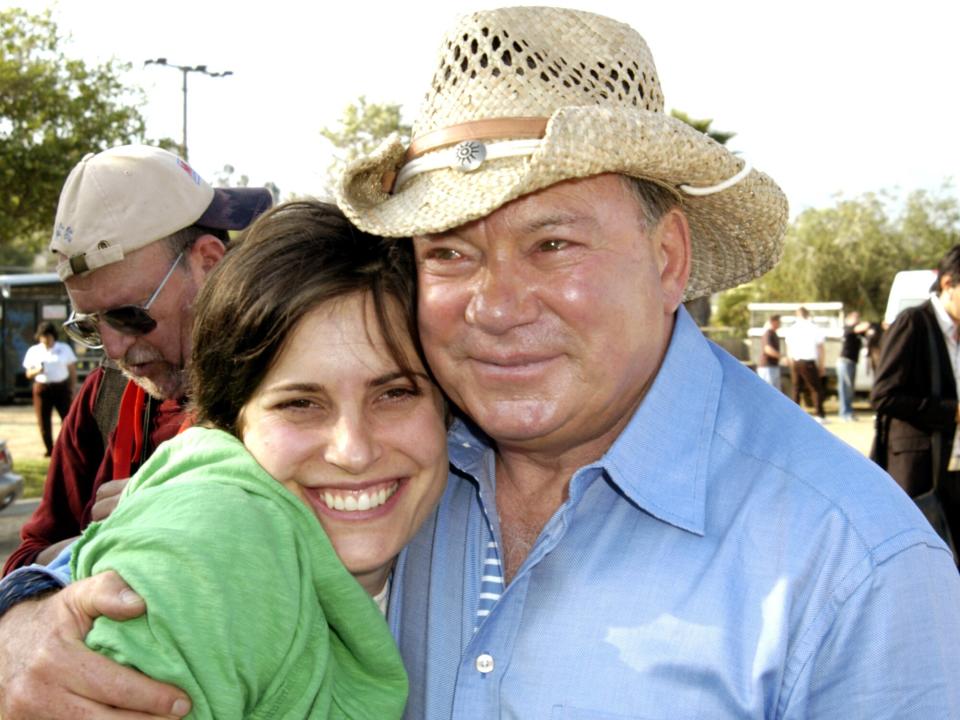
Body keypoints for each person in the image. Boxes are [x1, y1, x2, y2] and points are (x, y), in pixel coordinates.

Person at [2, 8, 960, 719]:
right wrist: (25, 625)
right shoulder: (392, 459)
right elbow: (174, 534)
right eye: (450, 253)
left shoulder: (857, 570)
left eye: (553, 244)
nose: (496, 307)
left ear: (667, 258)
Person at [69, 199, 444, 717]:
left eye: (395, 393)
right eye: (300, 404)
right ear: (232, 421)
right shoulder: (205, 561)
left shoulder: (479, 507)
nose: (354, 451)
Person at [3, 144, 272, 574]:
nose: (112, 349)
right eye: (90, 324)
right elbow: (26, 558)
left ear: (207, 263)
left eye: (128, 315)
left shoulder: (287, 397)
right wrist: (111, 540)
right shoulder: (103, 398)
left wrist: (202, 518)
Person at [871, 244, 960, 556]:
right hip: (920, 471)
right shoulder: (914, 323)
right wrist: (952, 412)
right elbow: (884, 395)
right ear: (948, 284)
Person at [21, 321, 76, 457]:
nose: (46, 340)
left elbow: (72, 370)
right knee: (43, 421)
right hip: (42, 388)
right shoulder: (34, 351)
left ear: (53, 336)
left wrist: (72, 387)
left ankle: (65, 447)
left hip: (61, 387)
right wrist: (37, 370)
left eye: (48, 336)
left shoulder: (63, 348)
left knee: (67, 418)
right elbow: (28, 373)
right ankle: (49, 449)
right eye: (43, 337)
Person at [786, 306, 827, 422]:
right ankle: (819, 414)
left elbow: (789, 348)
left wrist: (791, 363)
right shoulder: (813, 328)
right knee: (815, 388)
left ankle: (793, 414)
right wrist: (821, 365)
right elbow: (820, 348)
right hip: (808, 361)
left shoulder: (792, 328)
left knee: (796, 388)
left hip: (795, 361)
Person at [836, 309, 871, 421]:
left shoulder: (857, 332)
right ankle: (844, 413)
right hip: (845, 362)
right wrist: (870, 324)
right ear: (849, 319)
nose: (858, 320)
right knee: (844, 388)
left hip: (852, 362)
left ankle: (849, 412)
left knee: (849, 389)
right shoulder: (848, 328)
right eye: (855, 318)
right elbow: (862, 327)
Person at [757, 314, 782, 391]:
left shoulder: (774, 334)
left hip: (773, 366)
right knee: (768, 391)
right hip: (767, 367)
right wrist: (781, 357)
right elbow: (768, 349)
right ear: (773, 322)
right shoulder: (768, 333)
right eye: (778, 321)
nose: (780, 323)